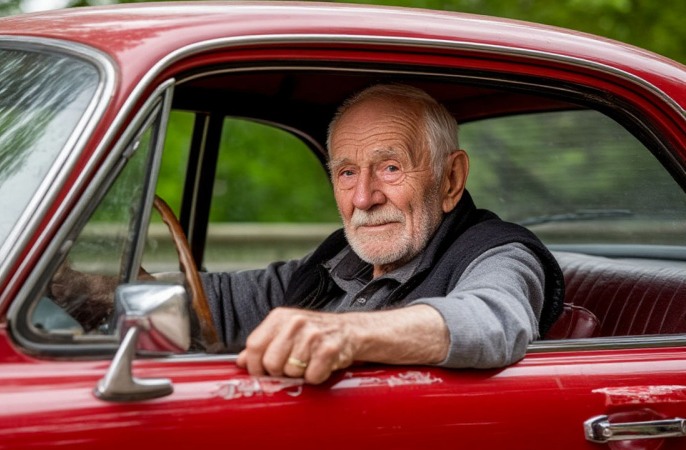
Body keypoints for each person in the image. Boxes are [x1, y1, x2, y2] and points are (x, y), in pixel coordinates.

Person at [200, 84, 564, 384]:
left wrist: (346, 334)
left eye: (391, 168)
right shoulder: (338, 261)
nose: (363, 198)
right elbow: (220, 303)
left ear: (451, 179)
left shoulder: (499, 252)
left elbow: (493, 321)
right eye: (347, 173)